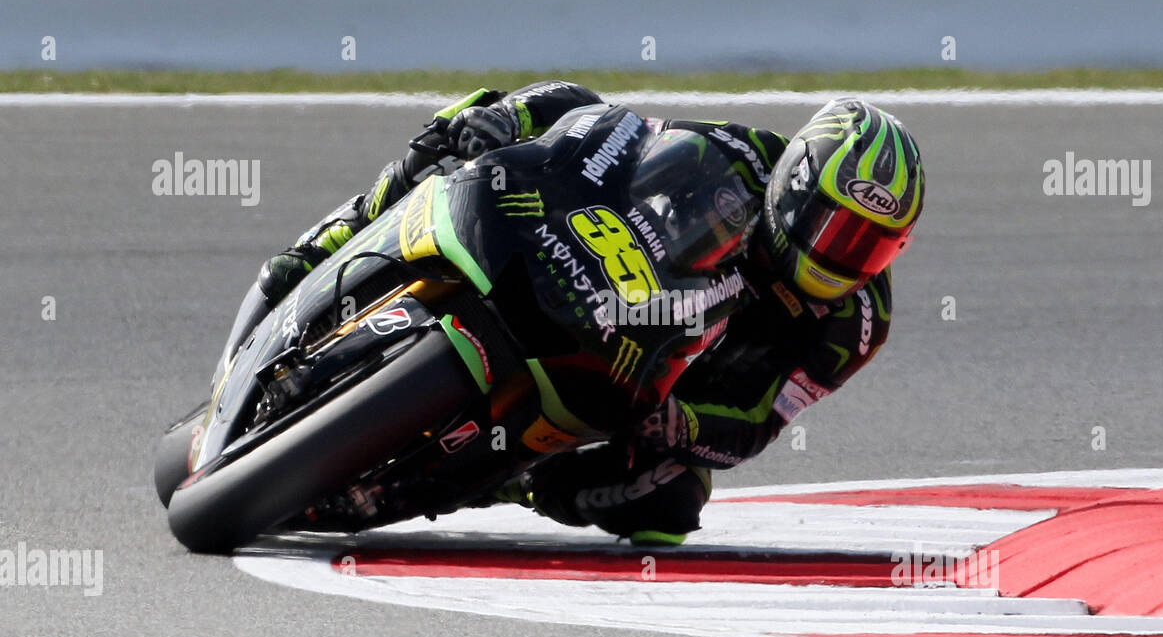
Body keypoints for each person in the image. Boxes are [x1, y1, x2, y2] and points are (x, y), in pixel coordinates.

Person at [251, 81, 925, 545]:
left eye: (869, 245)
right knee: (476, 120)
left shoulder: (855, 326)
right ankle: (331, 241)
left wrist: (681, 423)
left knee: (668, 502)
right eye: (837, 229)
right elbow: (611, 144)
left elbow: (757, 423)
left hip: (650, 392)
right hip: (603, 291)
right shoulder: (735, 158)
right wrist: (511, 132)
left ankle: (510, 485)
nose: (843, 256)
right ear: (797, 183)